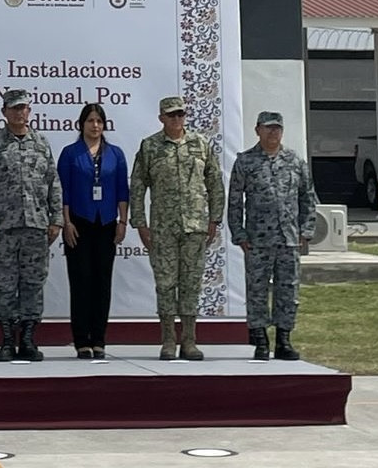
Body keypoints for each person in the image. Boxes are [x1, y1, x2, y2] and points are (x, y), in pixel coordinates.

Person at [130, 96, 225, 361]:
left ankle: (190, 340)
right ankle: (168, 340)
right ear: (161, 117)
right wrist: (140, 223)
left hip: (195, 227)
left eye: (181, 114)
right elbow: (137, 186)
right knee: (165, 284)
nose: (177, 119)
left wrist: (214, 219)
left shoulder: (200, 144)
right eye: (171, 115)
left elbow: (215, 183)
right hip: (163, 228)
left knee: (191, 284)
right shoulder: (150, 147)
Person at [0, 89, 63, 362]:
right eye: (14, 108)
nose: (19, 113)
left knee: (33, 283)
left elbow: (53, 182)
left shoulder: (41, 143)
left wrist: (56, 219)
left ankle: (27, 339)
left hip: (36, 225)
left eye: (23, 108)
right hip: (2, 227)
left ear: (29, 111)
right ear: (4, 112)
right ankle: (5, 341)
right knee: (3, 284)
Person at [228, 111, 317, 361]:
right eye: (268, 128)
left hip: (289, 239)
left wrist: (306, 231)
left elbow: (308, 197)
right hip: (257, 239)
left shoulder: (295, 160)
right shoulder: (246, 162)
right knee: (257, 289)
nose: (273, 133)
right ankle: (259, 339)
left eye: (277, 128)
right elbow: (235, 202)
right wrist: (239, 233)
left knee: (287, 290)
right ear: (257, 130)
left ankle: (284, 339)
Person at [57, 103, 130, 360]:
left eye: (99, 121)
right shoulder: (70, 153)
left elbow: (123, 189)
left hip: (107, 223)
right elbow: (63, 191)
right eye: (90, 121)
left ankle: (99, 340)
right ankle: (81, 341)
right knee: (81, 283)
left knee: (102, 283)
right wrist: (66, 222)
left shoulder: (115, 154)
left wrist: (123, 221)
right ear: (82, 124)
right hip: (78, 223)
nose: (95, 125)